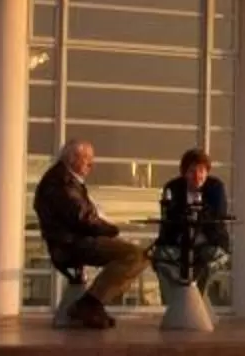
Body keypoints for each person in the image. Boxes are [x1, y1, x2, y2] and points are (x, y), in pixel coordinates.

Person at [34, 141, 148, 330]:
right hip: (72, 244)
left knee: (134, 254)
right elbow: (82, 217)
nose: (91, 164)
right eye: (86, 159)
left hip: (71, 241)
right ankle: (90, 303)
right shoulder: (62, 182)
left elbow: (83, 215)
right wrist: (111, 230)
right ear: (71, 158)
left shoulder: (63, 179)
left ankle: (92, 304)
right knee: (135, 255)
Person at [157, 148, 232, 275]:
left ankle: (197, 287)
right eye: (192, 171)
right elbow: (169, 219)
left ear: (207, 172)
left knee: (211, 260)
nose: (197, 176)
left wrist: (200, 209)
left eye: (201, 171)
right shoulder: (173, 188)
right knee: (162, 259)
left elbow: (218, 218)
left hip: (210, 242)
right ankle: (179, 287)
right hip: (178, 243)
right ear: (184, 173)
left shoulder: (216, 187)